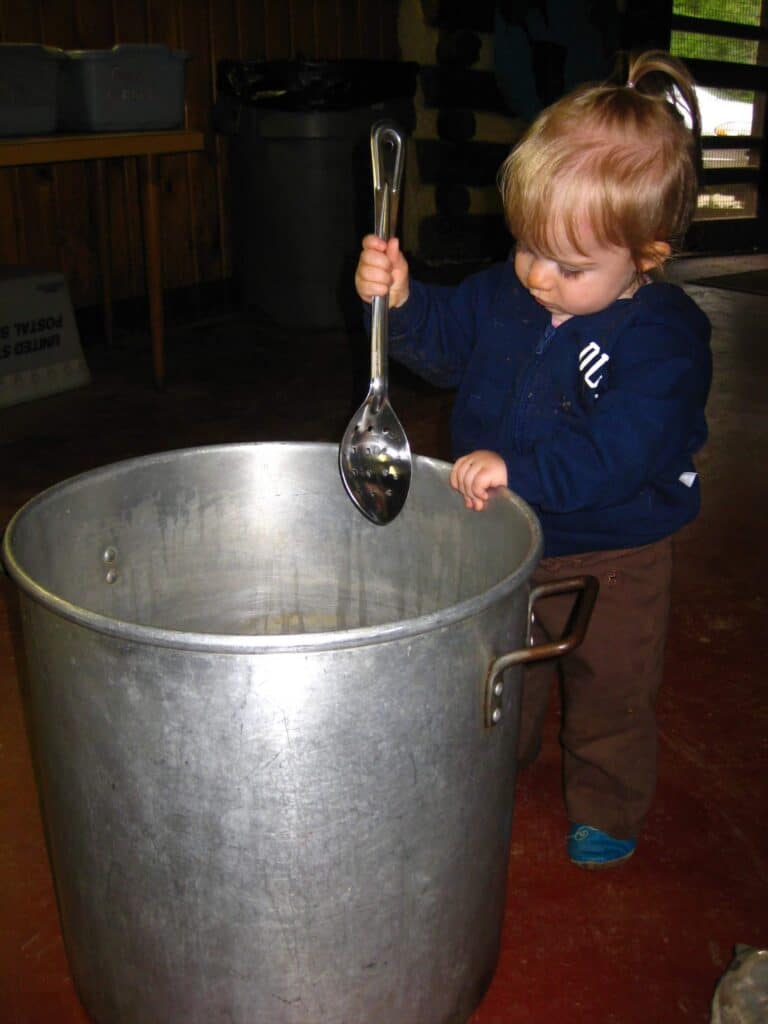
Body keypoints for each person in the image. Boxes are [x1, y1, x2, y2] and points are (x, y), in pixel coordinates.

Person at [354, 50, 713, 869]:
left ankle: (607, 804)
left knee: (610, 691)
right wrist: (403, 299)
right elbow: (444, 345)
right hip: (509, 537)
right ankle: (497, 764)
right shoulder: (514, 289)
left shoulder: (665, 340)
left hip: (615, 550)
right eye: (527, 246)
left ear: (647, 256)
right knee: (504, 671)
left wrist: (522, 470)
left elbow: (622, 452)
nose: (539, 279)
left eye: (570, 266)